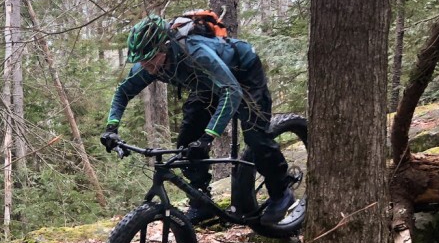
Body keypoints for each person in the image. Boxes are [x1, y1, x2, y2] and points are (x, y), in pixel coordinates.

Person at [100, 14, 295, 225]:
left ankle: (281, 192)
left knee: (256, 136)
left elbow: (231, 91)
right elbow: (123, 92)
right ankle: (201, 201)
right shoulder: (150, 64)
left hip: (243, 73)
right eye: (141, 60)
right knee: (187, 141)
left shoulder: (196, 53)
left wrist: (208, 137)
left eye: (149, 59)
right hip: (206, 83)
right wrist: (112, 127)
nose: (145, 65)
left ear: (165, 47)